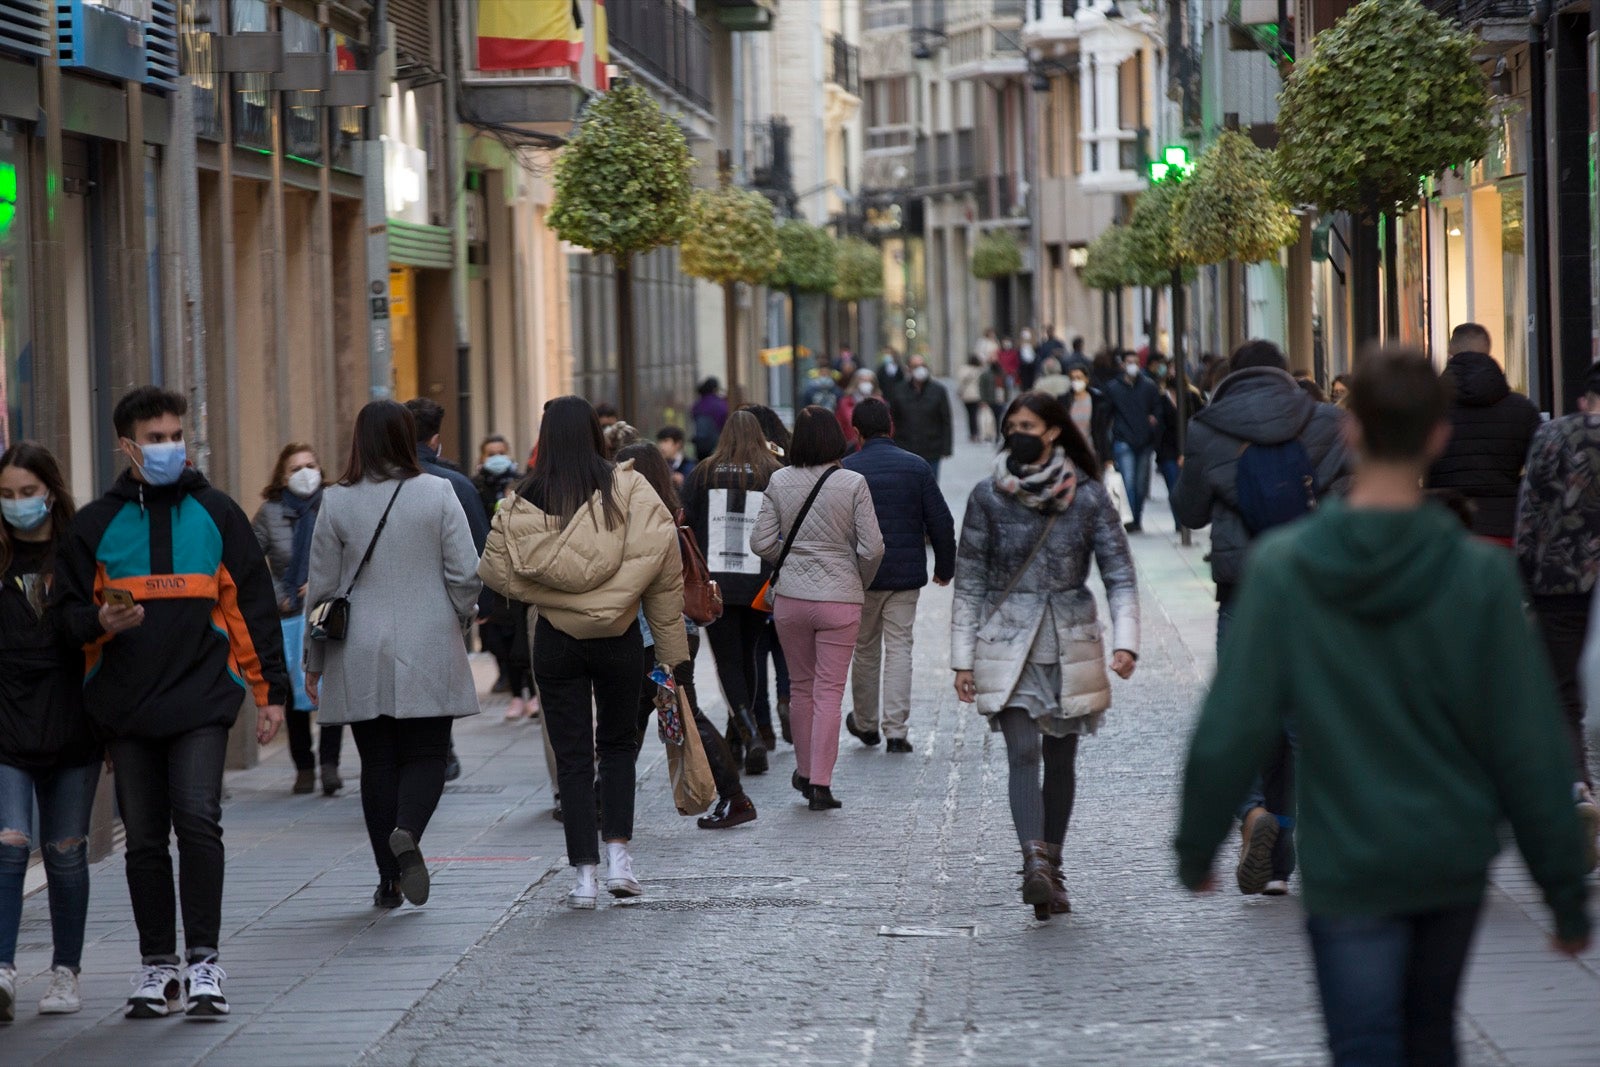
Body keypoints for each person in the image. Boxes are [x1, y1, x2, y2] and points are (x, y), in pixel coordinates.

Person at [1175, 348, 1592, 1065]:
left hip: (1348, 854)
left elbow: (1235, 720)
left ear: (1350, 429)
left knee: (1363, 1042)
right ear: (1438, 435)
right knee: (1430, 1035)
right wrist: (1560, 884)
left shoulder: (1287, 569)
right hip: (1449, 851)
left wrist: (1197, 844)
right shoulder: (1479, 575)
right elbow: (1526, 736)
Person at [57, 386, 287, 1019]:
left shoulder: (218, 512)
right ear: (127, 446)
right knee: (145, 840)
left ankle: (205, 962)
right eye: (155, 438)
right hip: (126, 709)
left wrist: (269, 694)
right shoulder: (95, 525)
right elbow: (65, 618)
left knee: (197, 818)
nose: (170, 448)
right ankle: (159, 967)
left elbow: (252, 609)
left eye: (175, 436)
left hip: (201, 701)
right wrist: (100, 621)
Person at [480, 397, 687, 908]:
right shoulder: (630, 488)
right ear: (596, 433)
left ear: (545, 437)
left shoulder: (522, 499)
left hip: (555, 640)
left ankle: (584, 878)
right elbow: (663, 572)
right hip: (620, 638)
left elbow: (497, 576)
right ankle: (620, 861)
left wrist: (550, 594)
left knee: (572, 758)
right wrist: (670, 655)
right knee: (617, 748)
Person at [951, 391, 1138, 919]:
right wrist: (962, 659)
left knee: (1061, 758)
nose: (1017, 433)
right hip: (1005, 643)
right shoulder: (987, 497)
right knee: (1023, 755)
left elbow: (1119, 574)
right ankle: (1036, 862)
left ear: (1053, 430)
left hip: (1071, 642)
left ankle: (1049, 867)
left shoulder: (1090, 498)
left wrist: (1126, 643)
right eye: (1011, 425)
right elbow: (968, 583)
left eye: (1027, 424)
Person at [1173, 339, 1349, 896]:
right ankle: (1297, 845)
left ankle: (1254, 817)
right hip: (1316, 583)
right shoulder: (1328, 421)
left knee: (1248, 708)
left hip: (1243, 587)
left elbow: (1189, 511)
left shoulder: (1207, 428)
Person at [303, 401, 481, 910]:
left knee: (377, 762)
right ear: (408, 438)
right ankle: (408, 832)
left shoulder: (336, 501)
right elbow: (466, 573)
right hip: (428, 640)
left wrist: (314, 662)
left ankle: (389, 880)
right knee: (427, 754)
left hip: (357, 644)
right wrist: (461, 616)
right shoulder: (438, 491)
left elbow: (322, 589)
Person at [0, 443, 100, 1019]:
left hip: (73, 723)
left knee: (65, 853)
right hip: (8, 724)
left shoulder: (78, 552)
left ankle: (66, 970)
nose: (18, 505)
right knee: (9, 845)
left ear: (51, 492)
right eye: (7, 495)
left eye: (28, 493)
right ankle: (4, 969)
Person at [616, 443, 756, 830]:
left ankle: (735, 797)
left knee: (679, 714)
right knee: (639, 719)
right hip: (672, 637)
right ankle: (602, 798)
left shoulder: (646, 523)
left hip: (658, 642)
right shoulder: (667, 517)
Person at [751, 408, 884, 810]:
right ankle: (821, 785)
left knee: (801, 687)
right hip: (840, 599)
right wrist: (856, 577)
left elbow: (760, 542)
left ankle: (804, 772)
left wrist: (787, 561)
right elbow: (873, 547)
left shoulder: (779, 479)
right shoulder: (853, 483)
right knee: (829, 691)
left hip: (791, 599)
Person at [1516, 360, 1600, 868]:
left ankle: (1579, 791)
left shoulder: (1554, 435)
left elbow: (1530, 515)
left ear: (1585, 397)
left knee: (1563, 696)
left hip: (1561, 583)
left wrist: (1524, 578)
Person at [842, 400, 955, 754]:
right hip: (905, 577)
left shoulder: (846, 470)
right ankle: (895, 730)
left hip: (861, 577)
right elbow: (941, 522)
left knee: (865, 649)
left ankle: (865, 723)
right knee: (900, 649)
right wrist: (944, 567)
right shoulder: (916, 467)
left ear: (856, 432)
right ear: (891, 428)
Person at [681, 412, 778, 775]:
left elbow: (684, 524)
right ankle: (739, 737)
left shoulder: (703, 473)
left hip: (713, 584)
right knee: (748, 656)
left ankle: (747, 735)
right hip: (757, 582)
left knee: (728, 662)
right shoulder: (773, 473)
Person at [404, 398, 488, 782]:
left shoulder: (367, 486)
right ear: (435, 439)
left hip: (389, 606)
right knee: (436, 685)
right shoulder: (454, 485)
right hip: (442, 608)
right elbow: (477, 550)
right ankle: (440, 752)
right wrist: (475, 604)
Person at [253, 443, 344, 795]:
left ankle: (330, 765)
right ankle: (304, 766)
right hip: (289, 614)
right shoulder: (269, 513)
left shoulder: (336, 504)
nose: (305, 473)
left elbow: (350, 554)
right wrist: (283, 595)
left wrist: (323, 584)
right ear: (282, 475)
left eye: (311, 464)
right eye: (295, 468)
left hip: (328, 612)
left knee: (332, 690)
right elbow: (249, 563)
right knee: (294, 691)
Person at [1424, 323, 1540, 545]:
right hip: (1504, 525)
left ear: (1450, 350)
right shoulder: (1522, 409)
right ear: (1488, 350)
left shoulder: (1427, 407)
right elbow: (1540, 469)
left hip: (1441, 525)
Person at [741, 404, 792, 751]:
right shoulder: (787, 466)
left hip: (749, 574)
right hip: (786, 571)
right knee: (786, 647)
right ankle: (787, 701)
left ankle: (762, 725)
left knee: (755, 651)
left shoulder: (739, 470)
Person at [1104, 350, 1162, 532]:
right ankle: (1129, 520)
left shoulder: (1149, 387)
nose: (1133, 365)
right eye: (1129, 361)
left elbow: (1157, 409)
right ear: (1123, 364)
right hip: (1124, 441)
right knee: (1128, 482)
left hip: (1144, 442)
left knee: (1140, 485)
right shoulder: (1113, 388)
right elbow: (1106, 416)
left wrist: (1153, 421)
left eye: (1136, 362)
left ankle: (1136, 518)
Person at [889, 354, 953, 482]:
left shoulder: (938, 390)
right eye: (916, 366)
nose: (920, 369)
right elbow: (892, 419)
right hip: (905, 448)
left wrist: (946, 448)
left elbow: (946, 420)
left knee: (930, 487)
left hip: (932, 449)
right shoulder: (898, 390)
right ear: (909, 369)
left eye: (923, 366)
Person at [1155, 367, 1205, 531]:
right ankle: (1180, 523)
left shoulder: (1192, 397)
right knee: (1173, 486)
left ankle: (1186, 519)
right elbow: (1158, 427)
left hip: (1190, 448)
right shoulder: (1161, 400)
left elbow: (1201, 419)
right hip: (1168, 450)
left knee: (1188, 486)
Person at [1065, 364, 1113, 468]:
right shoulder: (1065, 401)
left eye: (1079, 378)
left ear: (1086, 379)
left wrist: (1108, 458)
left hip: (1092, 454)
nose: (1076, 381)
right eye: (1073, 378)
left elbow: (1102, 431)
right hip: (1070, 456)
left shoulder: (1097, 402)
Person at [472, 435, 520, 519]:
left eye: (501, 453)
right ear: (482, 458)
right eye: (491, 455)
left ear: (508, 455)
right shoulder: (474, 485)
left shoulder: (520, 482)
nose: (497, 457)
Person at [835, 369, 879, 450]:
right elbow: (839, 424)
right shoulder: (845, 402)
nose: (866, 383)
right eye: (863, 380)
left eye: (869, 381)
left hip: (874, 448)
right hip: (850, 448)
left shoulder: (880, 402)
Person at [691, 378, 730, 461]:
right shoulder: (721, 404)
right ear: (716, 389)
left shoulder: (698, 404)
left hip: (700, 447)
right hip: (716, 445)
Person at [978, 359, 1008, 442]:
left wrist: (1006, 398)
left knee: (997, 418)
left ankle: (997, 434)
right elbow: (982, 388)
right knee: (991, 418)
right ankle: (992, 434)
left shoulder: (1002, 374)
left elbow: (1006, 387)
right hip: (992, 399)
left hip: (999, 399)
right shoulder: (986, 375)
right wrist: (983, 399)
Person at [957, 355, 985, 443]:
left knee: (970, 415)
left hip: (966, 395)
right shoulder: (979, 370)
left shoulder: (963, 369)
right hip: (976, 396)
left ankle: (972, 434)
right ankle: (976, 433)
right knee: (975, 415)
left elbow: (960, 381)